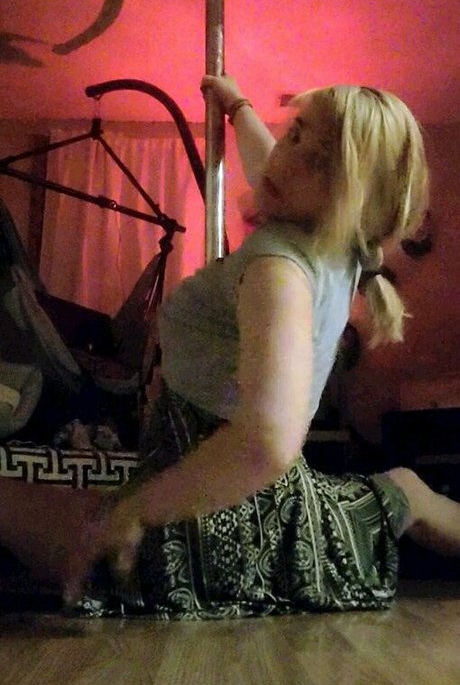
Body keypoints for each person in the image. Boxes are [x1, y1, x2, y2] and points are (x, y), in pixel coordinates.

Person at [0, 74, 458, 618]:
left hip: (214, 528)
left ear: (350, 197)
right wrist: (238, 106)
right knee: (405, 490)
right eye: (295, 134)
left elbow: (268, 443)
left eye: (317, 161)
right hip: (259, 506)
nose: (286, 159)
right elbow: (273, 165)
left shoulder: (279, 270)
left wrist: (137, 513)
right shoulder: (336, 244)